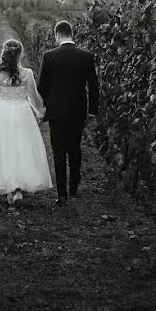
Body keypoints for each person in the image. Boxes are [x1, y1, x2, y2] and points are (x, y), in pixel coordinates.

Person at [0, 39, 53, 208]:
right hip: (22, 113)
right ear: (19, 54)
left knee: (5, 149)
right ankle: (18, 190)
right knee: (22, 148)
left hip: (2, 113)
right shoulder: (27, 73)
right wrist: (41, 112)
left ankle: (10, 189)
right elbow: (33, 97)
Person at [37, 20, 100, 206]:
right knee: (74, 149)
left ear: (57, 35)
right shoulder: (86, 57)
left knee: (58, 152)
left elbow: (41, 87)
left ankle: (62, 194)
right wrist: (93, 111)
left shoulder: (49, 56)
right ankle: (74, 187)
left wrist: (44, 108)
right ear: (72, 34)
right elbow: (94, 87)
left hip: (56, 112)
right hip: (77, 111)